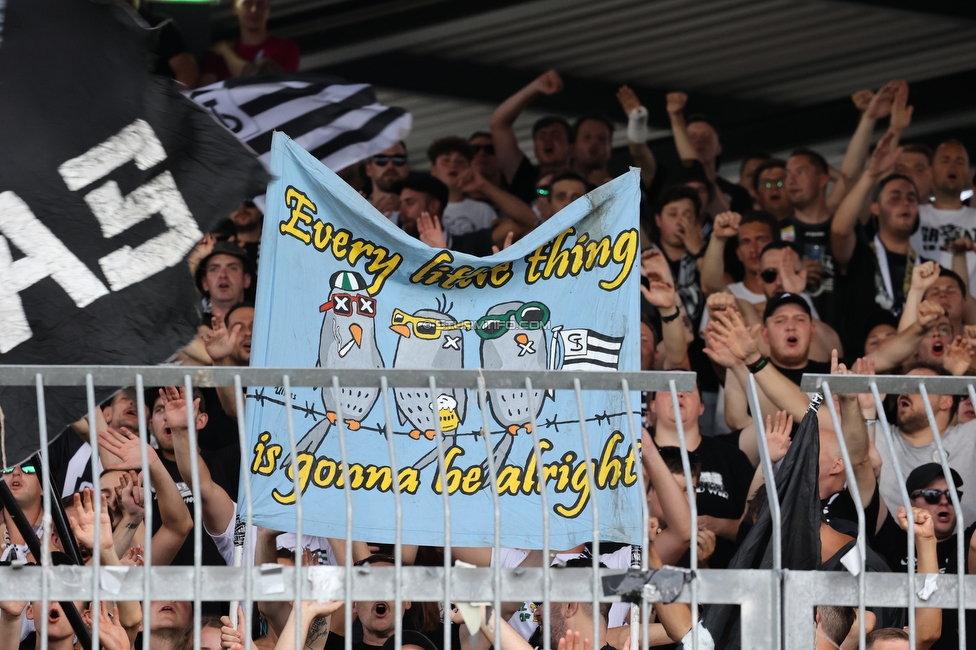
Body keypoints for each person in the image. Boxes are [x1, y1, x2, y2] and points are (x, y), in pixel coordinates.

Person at [649, 386, 753, 568]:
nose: (678, 392)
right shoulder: (632, 456)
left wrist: (719, 526)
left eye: (687, 388)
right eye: (667, 387)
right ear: (652, 406)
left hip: (716, 579)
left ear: (702, 408)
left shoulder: (731, 457)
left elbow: (754, 528)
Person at [874, 365, 976, 525]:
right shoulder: (874, 431)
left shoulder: (970, 436)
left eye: (916, 386)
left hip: (962, 548)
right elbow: (822, 418)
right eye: (903, 387)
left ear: (946, 401)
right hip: (890, 547)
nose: (904, 393)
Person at [489, 70, 572, 205]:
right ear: (535, 148)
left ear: (571, 147)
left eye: (556, 135)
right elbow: (498, 124)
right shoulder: (524, 177)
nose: (548, 140)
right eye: (541, 136)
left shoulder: (584, 184)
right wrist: (536, 86)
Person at [665, 92, 752, 213]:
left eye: (707, 137)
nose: (700, 141)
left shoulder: (738, 193)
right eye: (692, 137)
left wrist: (677, 119)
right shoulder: (670, 189)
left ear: (719, 147)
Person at [910, 140, 976, 291]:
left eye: (960, 161)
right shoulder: (912, 215)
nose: (952, 166)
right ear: (930, 172)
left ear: (968, 175)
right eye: (945, 160)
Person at [201, 0, 299, 84]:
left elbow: (259, 81)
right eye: (247, 3)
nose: (254, 10)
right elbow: (203, 93)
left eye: (260, 4)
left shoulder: (286, 47)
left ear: (268, 9)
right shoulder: (216, 55)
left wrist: (226, 51)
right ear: (235, 8)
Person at [426, 136, 500, 237]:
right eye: (446, 160)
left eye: (460, 161)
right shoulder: (425, 208)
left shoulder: (483, 210)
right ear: (433, 169)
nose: (453, 165)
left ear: (469, 168)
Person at [193, 241, 254, 322]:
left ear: (246, 280)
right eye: (214, 269)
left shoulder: (263, 323)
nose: (223, 275)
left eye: (232, 268)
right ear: (204, 283)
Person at [366, 143, 410, 221]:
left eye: (398, 159)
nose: (390, 166)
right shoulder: (356, 208)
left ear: (407, 169)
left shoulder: (422, 210)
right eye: (381, 159)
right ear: (368, 169)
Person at [571, 113, 614, 187]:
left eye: (601, 139)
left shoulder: (620, 190)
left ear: (609, 150)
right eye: (587, 137)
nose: (594, 143)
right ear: (573, 147)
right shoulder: (555, 185)